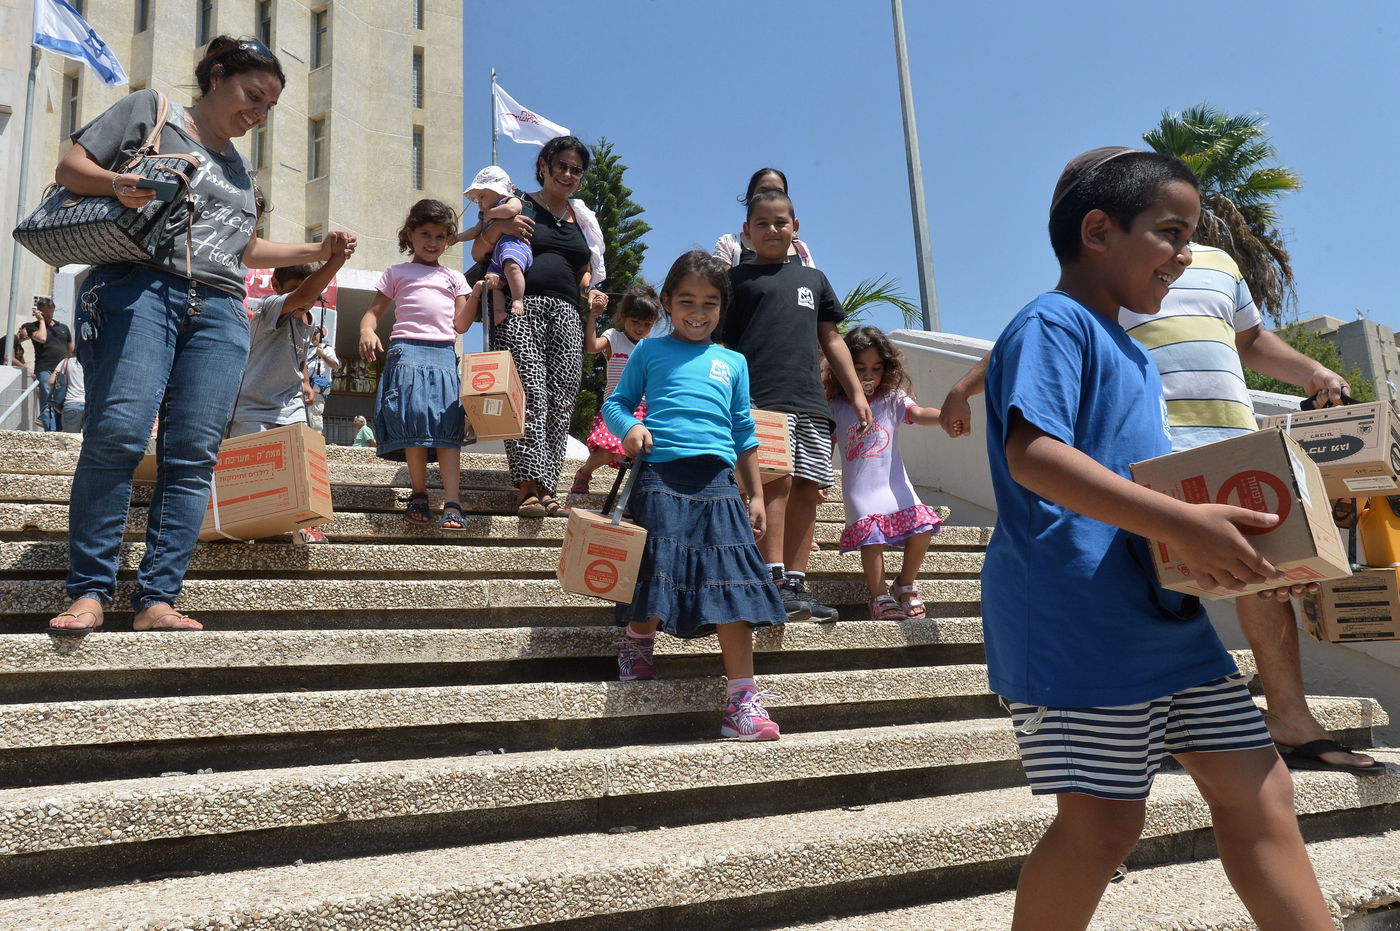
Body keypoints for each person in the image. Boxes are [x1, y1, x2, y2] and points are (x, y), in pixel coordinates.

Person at [980, 147, 1329, 930]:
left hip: (1161, 618)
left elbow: (1160, 497)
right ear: (1098, 230)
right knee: (1102, 824)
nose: (1187, 255)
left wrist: (1260, 561)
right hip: (1074, 619)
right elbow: (1032, 455)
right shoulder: (1051, 323)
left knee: (1262, 788)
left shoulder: (1134, 355)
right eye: (1172, 232)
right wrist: (1179, 522)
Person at [942, 252, 1380, 777]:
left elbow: (1251, 341)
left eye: (1181, 226)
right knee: (1142, 585)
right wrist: (962, 387)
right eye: (1166, 225)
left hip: (1237, 450)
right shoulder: (1116, 271)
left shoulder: (1216, 265)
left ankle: (1285, 718)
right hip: (1150, 457)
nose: (1177, 252)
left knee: (1267, 583)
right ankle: (1124, 744)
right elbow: (1036, 345)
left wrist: (1310, 370)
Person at [46, 36, 357, 636]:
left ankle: (157, 598)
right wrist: (117, 184)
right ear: (217, 76)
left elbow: (243, 250)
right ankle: (89, 590)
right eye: (252, 95)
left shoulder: (241, 170)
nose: (259, 113)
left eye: (269, 106)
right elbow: (69, 169)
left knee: (193, 455)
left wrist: (319, 250)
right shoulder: (153, 111)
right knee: (119, 434)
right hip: (140, 288)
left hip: (220, 308)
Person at [603, 250, 787, 740]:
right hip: (660, 477)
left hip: (720, 484)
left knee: (733, 584)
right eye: (686, 300)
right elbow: (616, 403)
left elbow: (744, 431)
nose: (698, 311)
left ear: (722, 308)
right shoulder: (649, 351)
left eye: (709, 302)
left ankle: (741, 701)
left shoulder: (733, 361)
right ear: (666, 302)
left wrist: (754, 494)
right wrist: (630, 429)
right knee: (658, 570)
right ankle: (639, 639)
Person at [722, 190, 870, 622]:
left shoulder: (814, 279)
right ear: (746, 232)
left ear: (796, 227)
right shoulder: (734, 283)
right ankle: (770, 578)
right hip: (760, 401)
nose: (772, 230)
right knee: (776, 484)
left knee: (810, 488)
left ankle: (796, 583)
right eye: (762, 223)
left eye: (781, 221)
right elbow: (720, 343)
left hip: (810, 402)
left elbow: (832, 338)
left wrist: (856, 392)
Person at [472, 135, 609, 519]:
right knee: (530, 393)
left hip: (567, 313)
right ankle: (526, 487)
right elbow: (478, 251)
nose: (567, 174)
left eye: (575, 169)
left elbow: (582, 270)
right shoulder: (518, 204)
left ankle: (549, 487)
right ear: (544, 166)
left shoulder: (583, 219)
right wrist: (501, 229)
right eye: (561, 165)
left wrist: (591, 293)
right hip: (521, 308)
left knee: (561, 399)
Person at [359, 198, 472, 531]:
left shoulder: (455, 277)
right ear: (409, 234)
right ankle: (419, 493)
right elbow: (372, 314)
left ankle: (453, 501)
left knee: (448, 430)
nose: (433, 242)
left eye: (440, 236)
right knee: (413, 424)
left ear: (448, 238)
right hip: (405, 352)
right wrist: (366, 331)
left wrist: (478, 291)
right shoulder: (396, 272)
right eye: (425, 233)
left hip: (443, 356)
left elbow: (461, 324)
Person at [825, 326, 943, 620]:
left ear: (887, 369)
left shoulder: (893, 399)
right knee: (871, 535)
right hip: (860, 489)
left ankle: (904, 584)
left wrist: (945, 416)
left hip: (893, 484)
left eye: (876, 369)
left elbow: (918, 413)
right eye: (860, 368)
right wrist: (822, 476)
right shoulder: (836, 406)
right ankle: (879, 596)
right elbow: (827, 444)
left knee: (923, 527)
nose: (868, 376)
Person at [229, 252, 347, 438]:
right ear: (276, 285)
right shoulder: (269, 308)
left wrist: (306, 383)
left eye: (312, 293)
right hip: (253, 409)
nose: (306, 299)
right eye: (296, 290)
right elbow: (303, 294)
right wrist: (336, 260)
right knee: (253, 464)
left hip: (291, 407)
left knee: (295, 463)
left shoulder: (310, 321)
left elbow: (300, 356)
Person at [571, 283, 661, 493]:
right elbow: (592, 347)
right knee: (607, 451)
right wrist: (593, 317)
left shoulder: (651, 347)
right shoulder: (615, 338)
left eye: (647, 324)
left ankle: (638, 492)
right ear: (624, 318)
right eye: (635, 321)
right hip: (617, 408)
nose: (640, 328)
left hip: (644, 410)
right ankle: (584, 473)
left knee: (642, 453)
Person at [458, 165, 531, 324]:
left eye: (482, 196)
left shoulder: (510, 200)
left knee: (512, 268)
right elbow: (474, 231)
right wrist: (457, 238)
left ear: (498, 191)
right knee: (494, 284)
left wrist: (491, 214)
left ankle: (518, 299)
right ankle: (498, 312)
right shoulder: (483, 215)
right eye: (477, 199)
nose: (479, 203)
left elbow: (512, 209)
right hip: (497, 257)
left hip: (513, 247)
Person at [713, 168, 817, 268]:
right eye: (763, 191)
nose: (770, 197)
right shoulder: (730, 243)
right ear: (750, 197)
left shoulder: (800, 248)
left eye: (778, 192)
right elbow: (718, 284)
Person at [16, 297, 73, 432]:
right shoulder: (31, 326)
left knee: (61, 399)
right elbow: (42, 338)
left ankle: (59, 429)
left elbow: (70, 349)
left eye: (51, 312)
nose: (49, 315)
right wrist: (41, 321)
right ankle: (50, 431)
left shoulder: (63, 327)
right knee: (47, 399)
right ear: (39, 312)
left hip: (62, 370)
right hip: (45, 368)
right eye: (45, 312)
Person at [304, 326, 339, 434]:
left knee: (314, 418)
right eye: (311, 333)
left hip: (317, 387)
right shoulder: (306, 349)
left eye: (316, 333)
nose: (313, 336)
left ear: (321, 335)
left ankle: (315, 442)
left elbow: (335, 365)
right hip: (304, 386)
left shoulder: (326, 348)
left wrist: (322, 355)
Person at [53, 355, 85, 433]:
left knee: (70, 439)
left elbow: (51, 381)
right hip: (89, 405)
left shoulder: (66, 362)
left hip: (71, 403)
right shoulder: (91, 360)